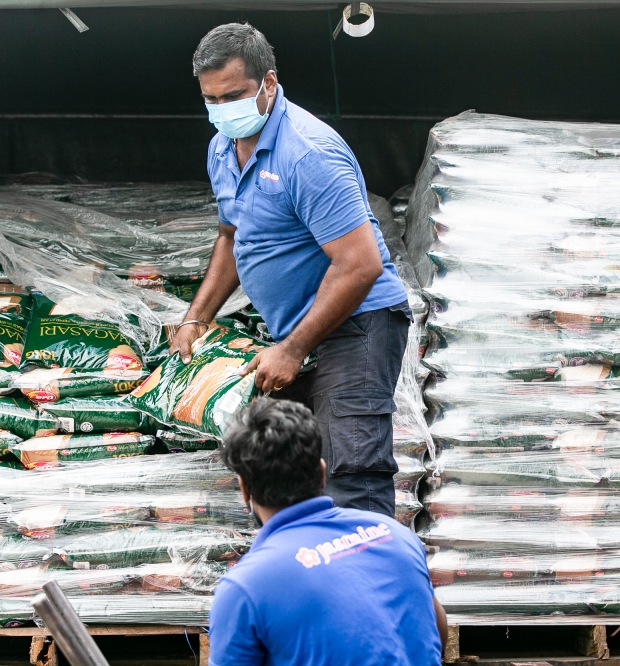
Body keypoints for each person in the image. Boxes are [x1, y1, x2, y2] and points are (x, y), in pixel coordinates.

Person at [175, 22, 411, 517]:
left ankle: (366, 586)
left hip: (356, 325)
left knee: (351, 470)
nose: (221, 111)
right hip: (297, 333)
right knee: (286, 474)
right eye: (210, 100)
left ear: (269, 82)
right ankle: (307, 581)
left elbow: (360, 264)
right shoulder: (222, 148)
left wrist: (292, 348)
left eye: (233, 96)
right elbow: (231, 234)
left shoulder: (308, 153)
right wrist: (197, 317)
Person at [208, 397, 446, 666]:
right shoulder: (395, 534)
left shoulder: (243, 587)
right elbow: (435, 632)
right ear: (322, 473)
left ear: (244, 490)